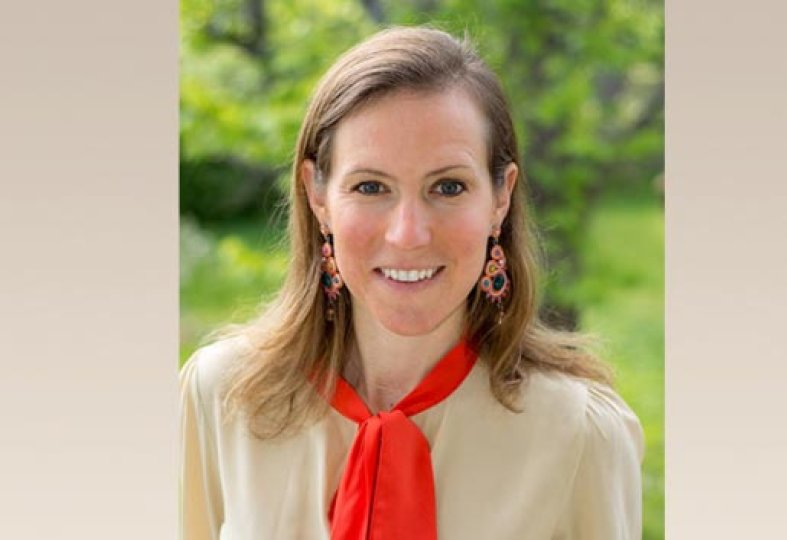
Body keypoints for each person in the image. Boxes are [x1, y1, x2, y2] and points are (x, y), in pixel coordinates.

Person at [179, 26, 644, 540]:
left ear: (500, 199)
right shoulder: (222, 396)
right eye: (370, 186)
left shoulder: (579, 435)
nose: (407, 234)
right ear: (318, 196)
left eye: (448, 186)